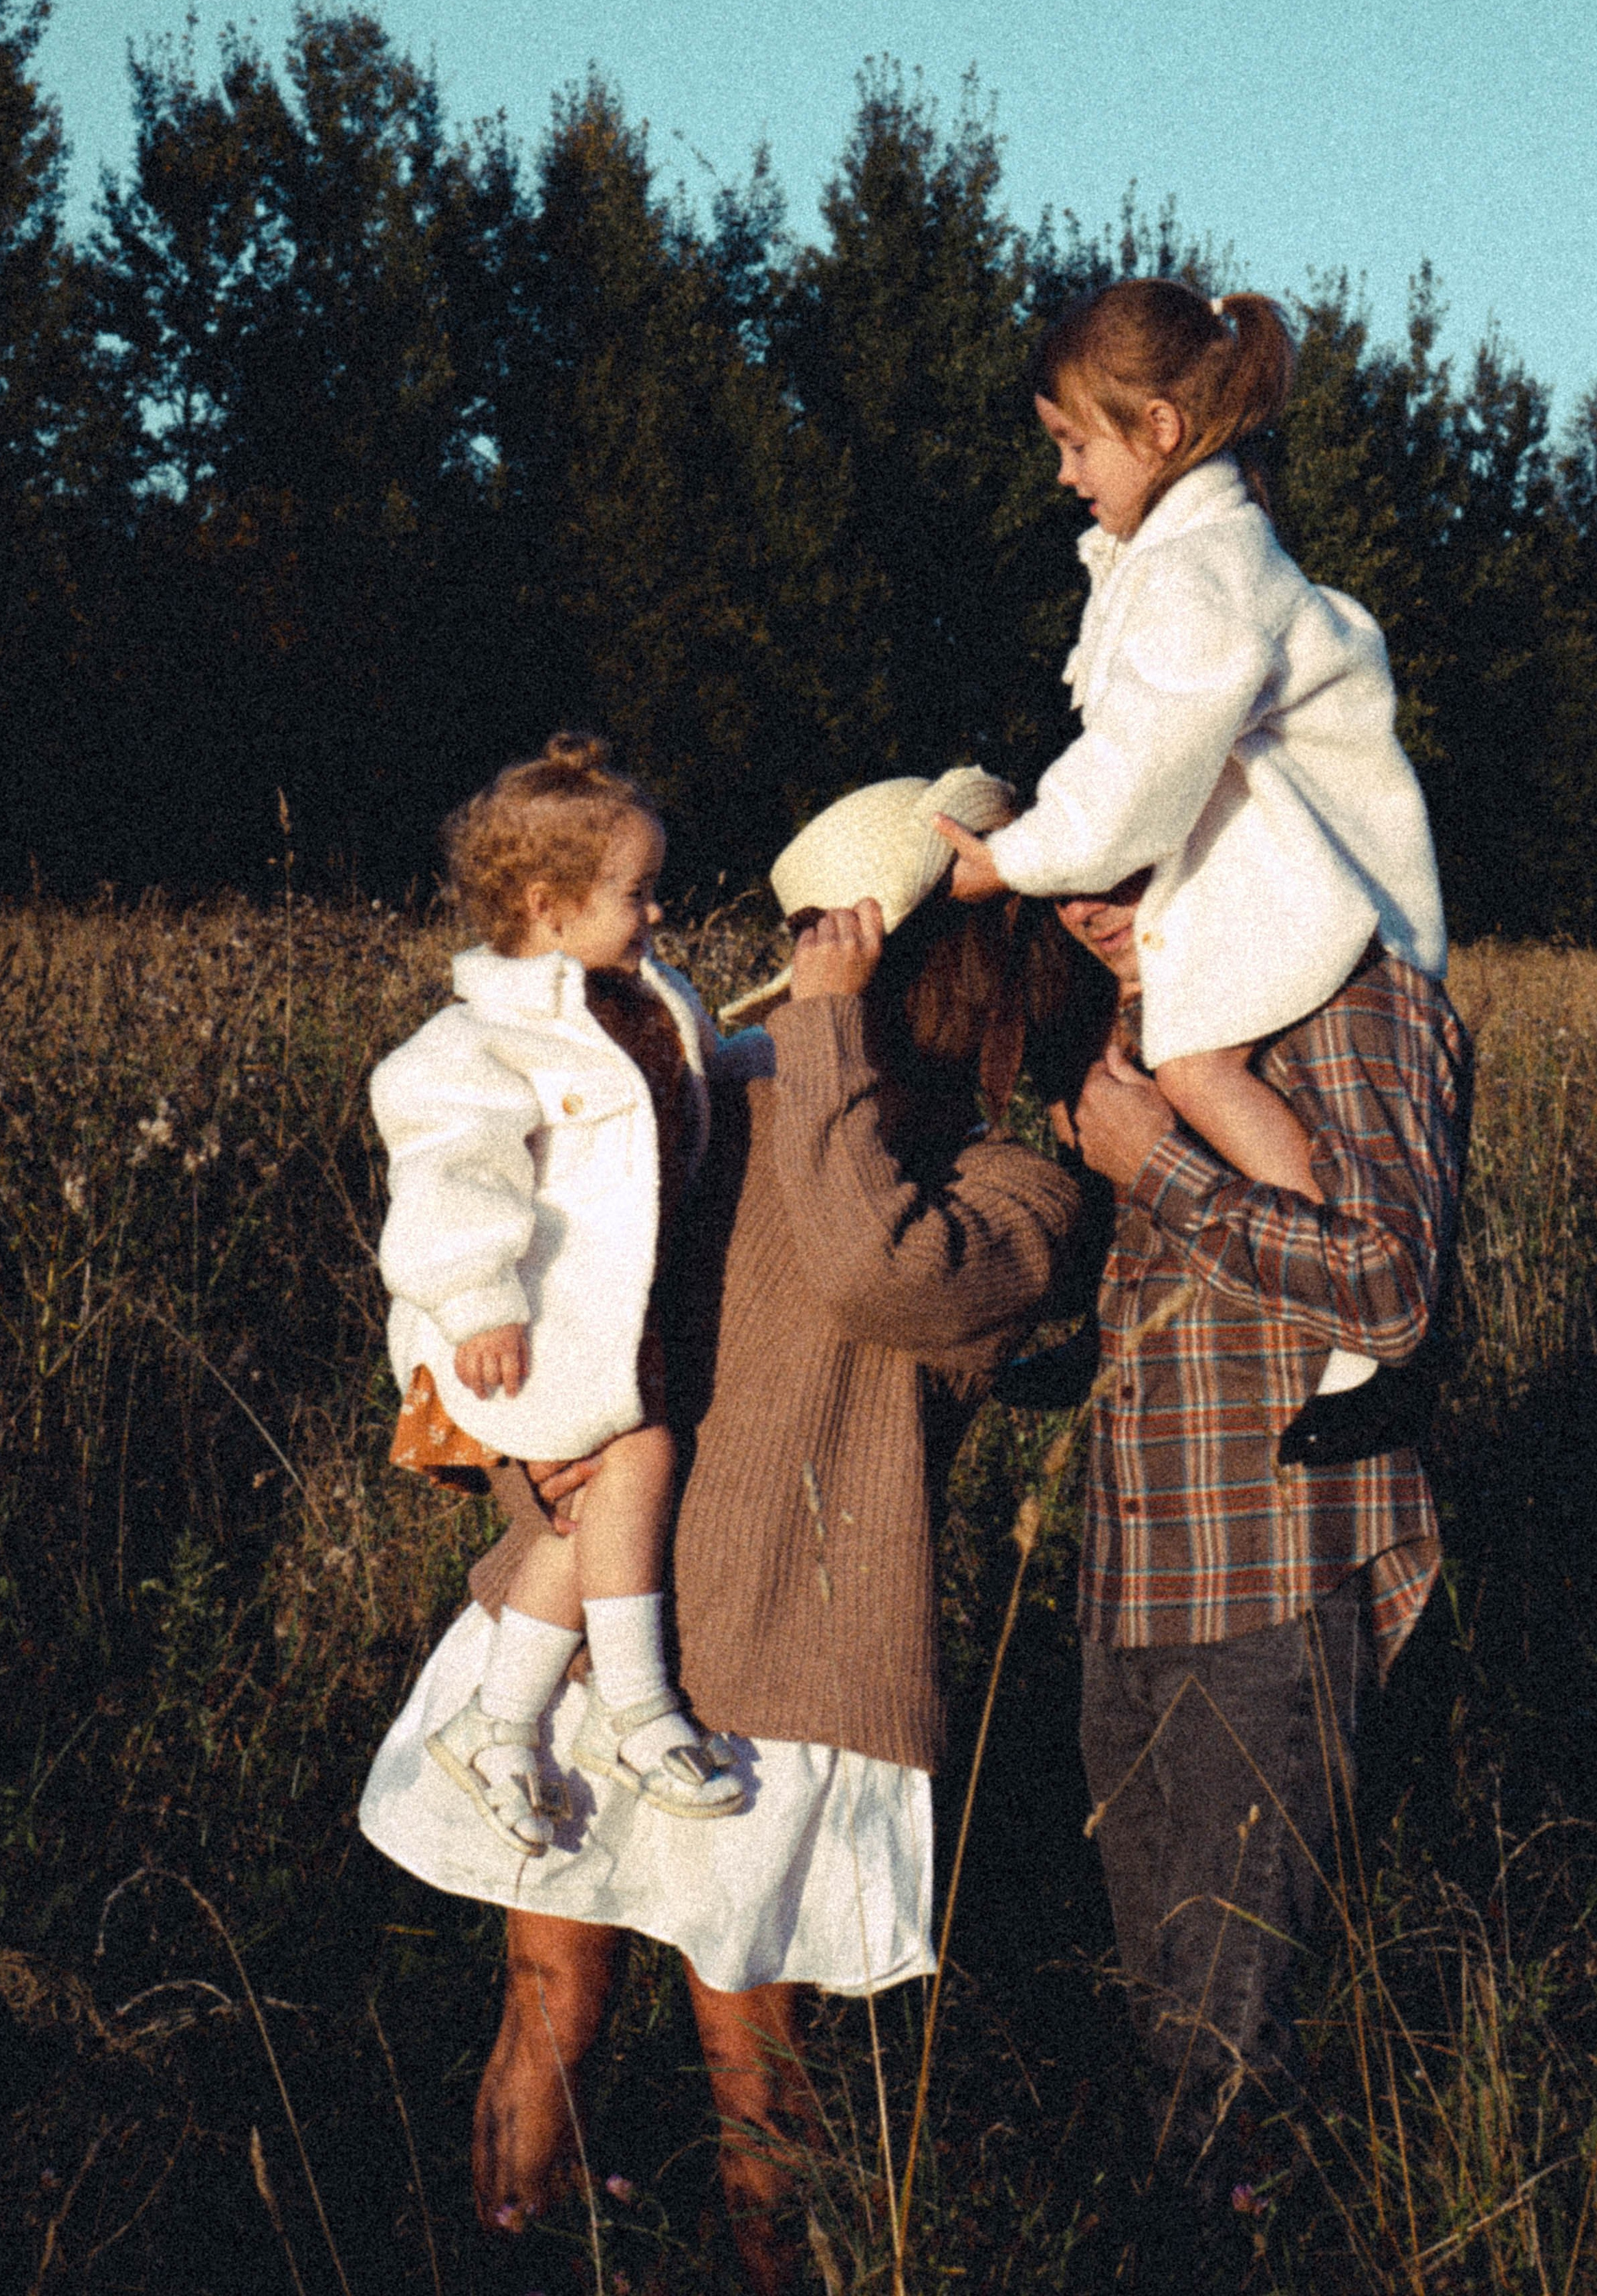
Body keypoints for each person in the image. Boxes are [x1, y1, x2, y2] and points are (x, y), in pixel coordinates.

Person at [359, 767, 1097, 2293]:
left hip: (785, 1673)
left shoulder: (1021, 1193)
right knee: (550, 2011)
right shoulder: (721, 1104)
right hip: (594, 1629)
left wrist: (822, 1039)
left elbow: (872, 1266)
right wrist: (536, 1478)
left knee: (755, 2065)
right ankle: (503, 2268)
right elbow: (554, 1285)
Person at [1051, 872, 1470, 2203]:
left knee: (1229, 2035)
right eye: (1066, 879)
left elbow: (1391, 1290)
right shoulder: (1139, 1016)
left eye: (1123, 864)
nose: (1087, 905)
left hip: (1270, 1566)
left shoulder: (1344, 1003)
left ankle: (1244, 2247)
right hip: (1133, 1567)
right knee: (1167, 2007)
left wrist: (1156, 1163)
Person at [940, 278, 1448, 1278]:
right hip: (1273, 885)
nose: (1063, 475)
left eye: (1075, 444)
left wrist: (1013, 860)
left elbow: (1142, 762)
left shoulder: (1198, 570)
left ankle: (1345, 1305)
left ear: (1160, 428)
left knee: (1191, 1067)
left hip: (1309, 895)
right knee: (1155, 1063)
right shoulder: (1177, 560)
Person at [369, 734, 759, 1855]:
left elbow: (704, 1072)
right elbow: (449, 1169)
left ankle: (497, 1723)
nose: (656, 913)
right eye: (636, 893)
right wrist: (476, 1296)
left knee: (582, 1514)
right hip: (512, 1328)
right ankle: (635, 1705)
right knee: (640, 1456)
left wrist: (779, 1052)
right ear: (547, 905)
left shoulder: (647, 998)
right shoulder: (479, 1040)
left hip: (603, 1322)